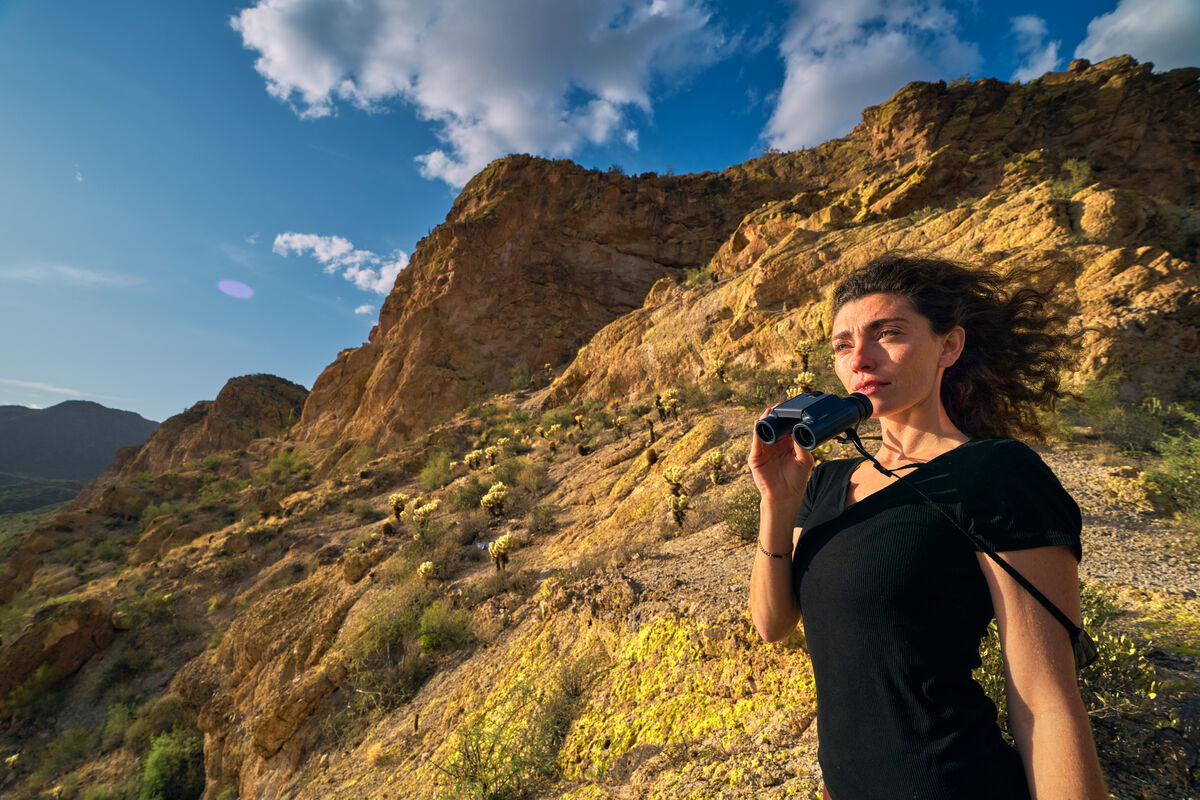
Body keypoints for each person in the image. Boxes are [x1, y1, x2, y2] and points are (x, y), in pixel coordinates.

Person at [748, 254, 1108, 799]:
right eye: (843, 345)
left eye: (887, 333)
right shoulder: (826, 482)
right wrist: (777, 502)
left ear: (949, 346)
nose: (861, 360)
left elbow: (1047, 700)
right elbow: (773, 624)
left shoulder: (995, 475)